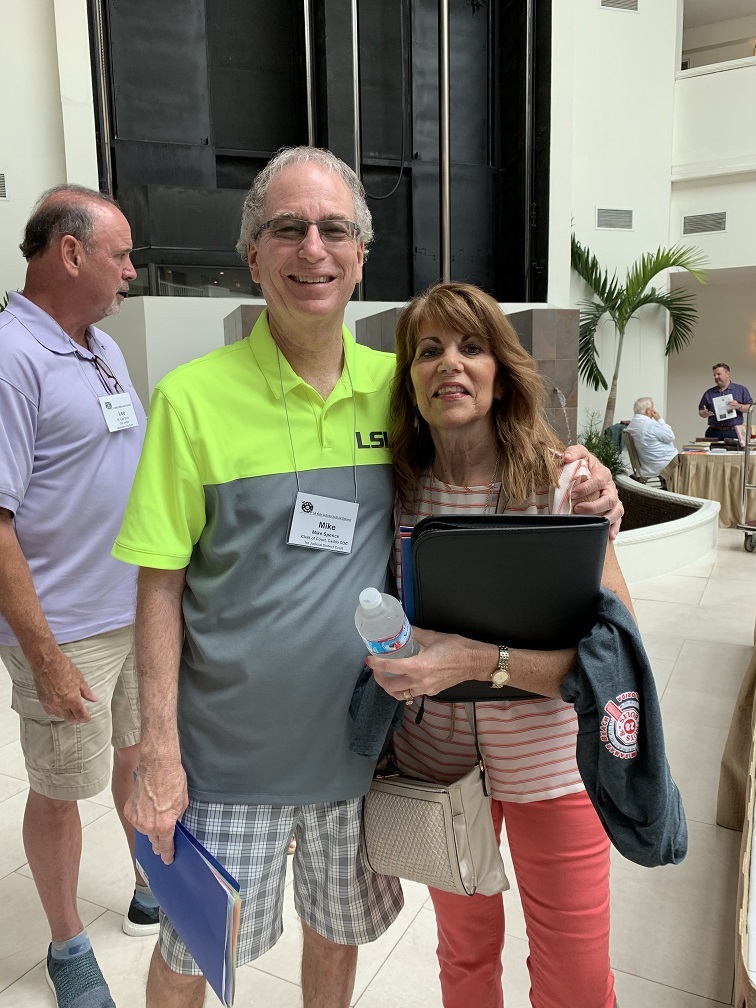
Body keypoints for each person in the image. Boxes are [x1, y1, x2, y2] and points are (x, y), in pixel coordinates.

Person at [113, 146, 623, 1008]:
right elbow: (158, 584)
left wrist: (587, 477)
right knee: (194, 951)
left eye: (334, 230)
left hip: (360, 757)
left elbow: (491, 451)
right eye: (288, 229)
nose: (312, 248)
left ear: (360, 257)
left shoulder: (403, 392)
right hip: (227, 763)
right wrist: (156, 749)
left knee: (337, 936)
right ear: (253, 255)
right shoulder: (190, 400)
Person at [367, 282, 636, 1008]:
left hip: (554, 765)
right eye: (429, 350)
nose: (449, 363)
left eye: (472, 346)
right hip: (437, 768)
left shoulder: (563, 484)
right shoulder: (395, 491)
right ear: (410, 378)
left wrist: (478, 662)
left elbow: (617, 661)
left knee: (577, 980)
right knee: (463, 960)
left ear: (501, 371)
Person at [0, 185, 157, 1008]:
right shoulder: (11, 356)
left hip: (134, 610)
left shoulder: (100, 347)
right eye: (120, 255)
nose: (131, 271)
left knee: (135, 754)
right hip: (66, 630)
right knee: (62, 787)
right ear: (70, 253)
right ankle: (67, 947)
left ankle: (147, 885)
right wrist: (46, 657)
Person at [626, 396, 677, 477]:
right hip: (666, 465)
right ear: (648, 411)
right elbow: (670, 436)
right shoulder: (650, 425)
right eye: (653, 407)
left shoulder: (631, 426)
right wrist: (659, 420)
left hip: (648, 467)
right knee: (693, 464)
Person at [698, 362, 752, 439]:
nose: (716, 377)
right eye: (714, 375)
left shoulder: (741, 390)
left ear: (727, 374)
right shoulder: (709, 393)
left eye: (718, 374)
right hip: (713, 432)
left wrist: (739, 406)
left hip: (734, 432)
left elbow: (750, 408)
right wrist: (704, 413)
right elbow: (701, 411)